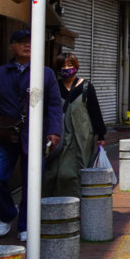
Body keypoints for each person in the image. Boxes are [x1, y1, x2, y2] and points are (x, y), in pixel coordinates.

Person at [0, 29, 63, 242]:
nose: (27, 45)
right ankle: (7, 214)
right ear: (12, 46)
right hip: (4, 135)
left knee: (33, 181)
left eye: (31, 42)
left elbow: (55, 104)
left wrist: (54, 131)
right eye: (21, 42)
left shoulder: (45, 73)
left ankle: (25, 224)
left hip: (35, 135)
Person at [43, 52, 105, 199]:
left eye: (70, 65)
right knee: (57, 171)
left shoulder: (86, 87)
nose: (66, 69)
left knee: (78, 168)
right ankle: (59, 203)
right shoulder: (54, 87)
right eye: (63, 66)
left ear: (76, 67)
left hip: (82, 135)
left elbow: (95, 111)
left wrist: (100, 135)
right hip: (60, 134)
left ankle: (78, 202)